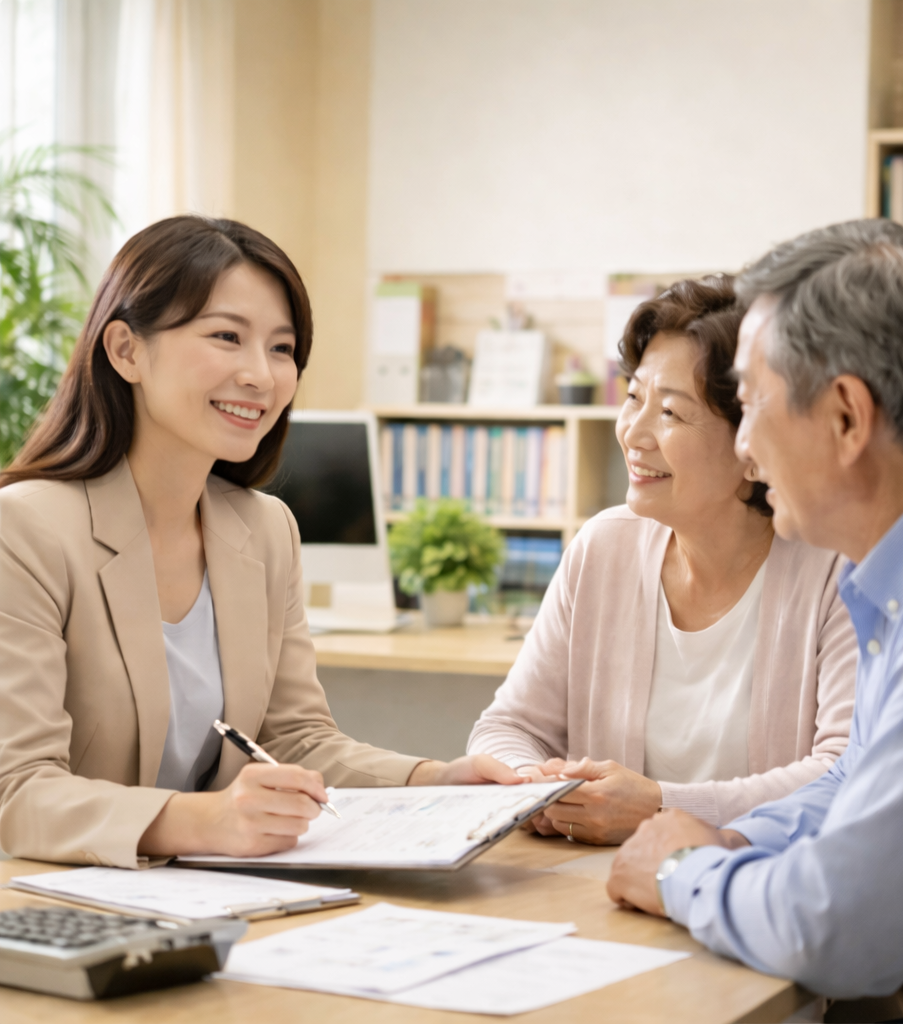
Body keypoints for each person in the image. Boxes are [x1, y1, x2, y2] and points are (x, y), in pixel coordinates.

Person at [0, 216, 519, 870]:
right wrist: (202, 820)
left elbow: (294, 739)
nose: (261, 375)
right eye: (226, 337)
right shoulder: (24, 528)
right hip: (52, 902)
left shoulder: (266, 529)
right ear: (126, 350)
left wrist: (435, 782)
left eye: (282, 348)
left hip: (208, 900)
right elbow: (17, 791)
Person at [607, 219, 903, 1023]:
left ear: (845, 418)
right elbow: (858, 783)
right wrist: (736, 845)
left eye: (753, 405)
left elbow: (843, 928)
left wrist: (682, 872)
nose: (747, 448)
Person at [467, 277, 857, 845]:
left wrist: (661, 808)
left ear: (754, 445)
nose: (633, 433)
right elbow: (509, 726)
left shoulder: (834, 569)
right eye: (632, 397)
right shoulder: (604, 546)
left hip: (759, 888)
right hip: (601, 888)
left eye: (670, 412)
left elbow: (844, 771)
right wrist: (539, 788)